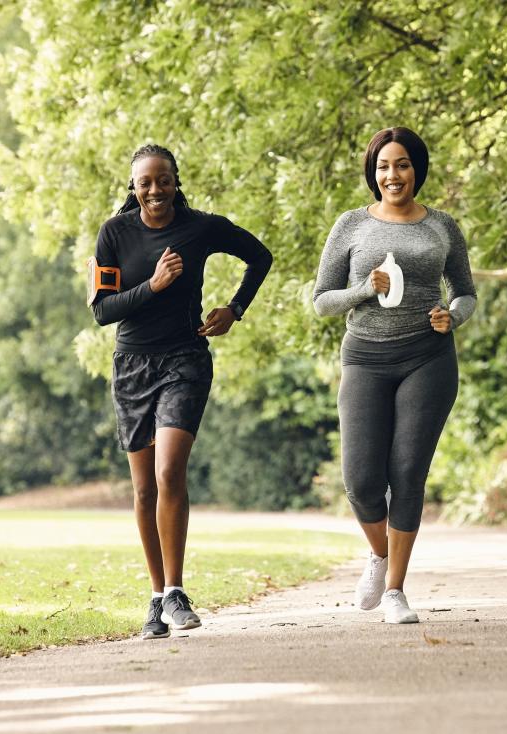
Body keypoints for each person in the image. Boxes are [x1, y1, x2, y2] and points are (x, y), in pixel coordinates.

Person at [89, 144, 272, 639]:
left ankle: (176, 590)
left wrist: (234, 310)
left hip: (184, 361)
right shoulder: (114, 233)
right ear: (134, 186)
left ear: (176, 181)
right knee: (144, 488)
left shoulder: (200, 228)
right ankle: (155, 600)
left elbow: (259, 256)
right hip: (131, 367)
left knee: (170, 471)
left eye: (163, 179)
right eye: (145, 182)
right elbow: (103, 311)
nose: (154, 190)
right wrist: (153, 284)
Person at [312, 127, 477, 624]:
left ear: (416, 169)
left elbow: (465, 291)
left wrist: (455, 314)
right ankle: (378, 556)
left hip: (428, 357)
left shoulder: (442, 226)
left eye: (402, 165)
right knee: (361, 480)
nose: (392, 175)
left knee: (407, 473)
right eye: (384, 166)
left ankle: (395, 592)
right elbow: (322, 300)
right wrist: (363, 290)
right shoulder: (350, 225)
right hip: (365, 356)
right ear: (373, 173)